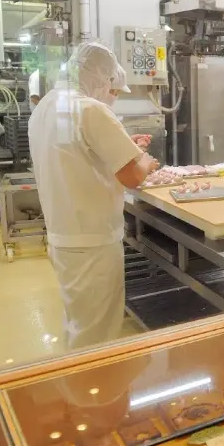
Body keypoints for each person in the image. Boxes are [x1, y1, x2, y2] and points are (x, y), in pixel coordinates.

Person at [28, 42, 159, 349]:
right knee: (96, 335)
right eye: (112, 87)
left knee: (78, 321)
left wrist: (129, 149)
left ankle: (75, 390)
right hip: (93, 241)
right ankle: (92, 395)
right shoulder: (90, 109)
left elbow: (78, 156)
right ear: (104, 78)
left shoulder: (47, 105)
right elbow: (132, 177)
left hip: (64, 235)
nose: (111, 95)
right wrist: (147, 162)